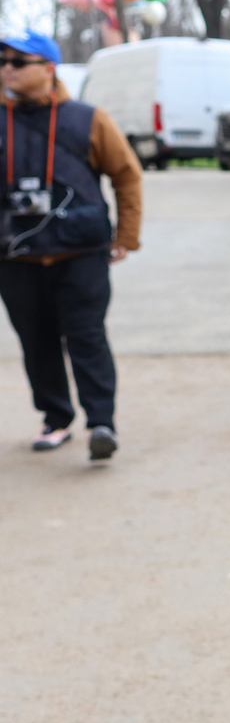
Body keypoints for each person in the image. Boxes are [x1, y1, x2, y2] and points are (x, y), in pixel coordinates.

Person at [1, 29, 143, 459]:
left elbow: (126, 175)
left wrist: (127, 235)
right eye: (2, 61)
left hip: (80, 254)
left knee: (87, 336)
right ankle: (56, 419)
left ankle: (101, 423)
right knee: (36, 342)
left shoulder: (88, 119)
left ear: (49, 68)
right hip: (16, 256)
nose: (6, 69)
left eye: (17, 62)